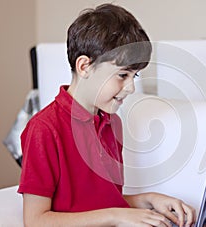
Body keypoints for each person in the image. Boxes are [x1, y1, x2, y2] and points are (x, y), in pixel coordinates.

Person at [18, 3, 196, 227]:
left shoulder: (113, 123)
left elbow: (100, 204)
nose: (131, 87)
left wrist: (147, 200)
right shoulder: (44, 129)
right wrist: (117, 215)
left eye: (135, 76)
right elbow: (35, 221)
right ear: (84, 66)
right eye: (122, 75)